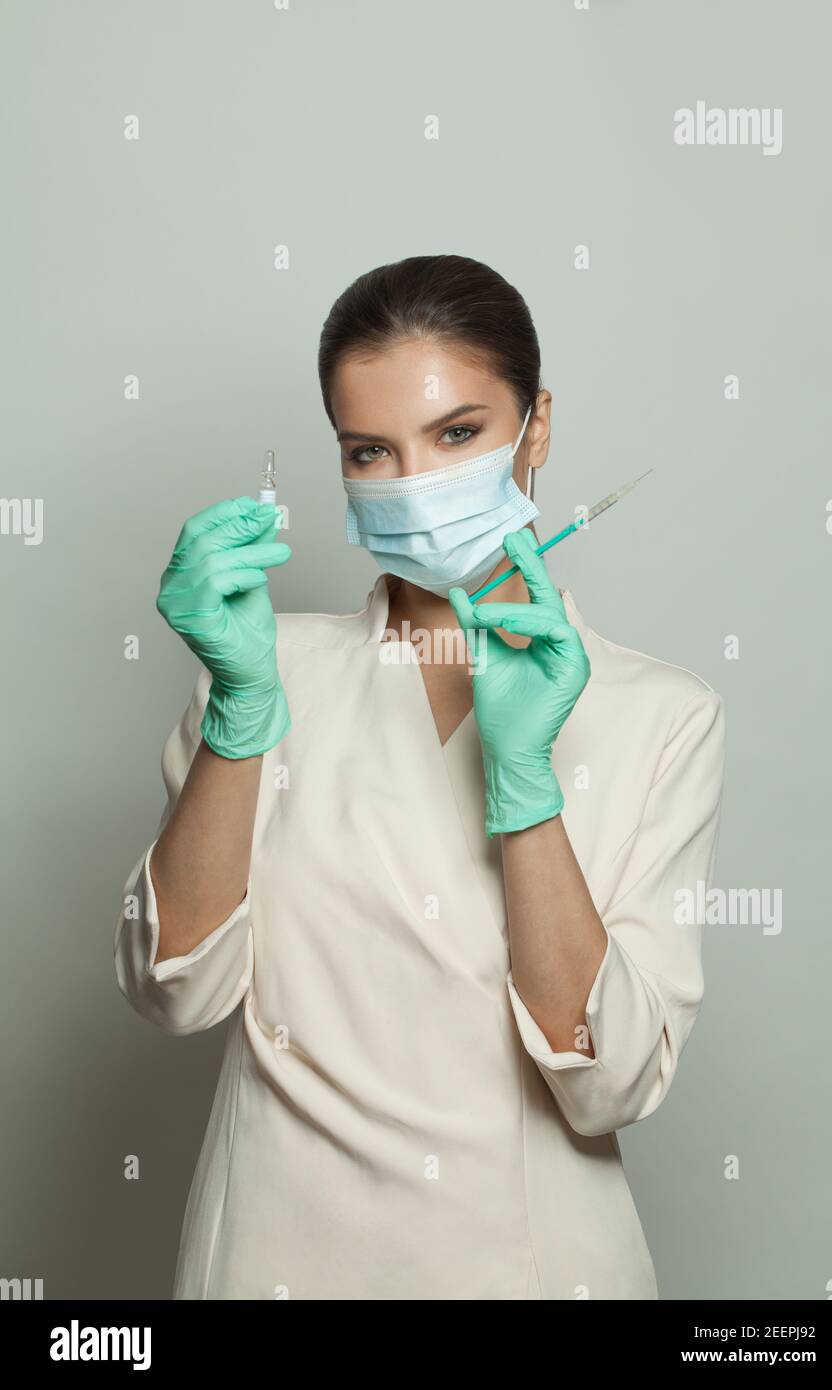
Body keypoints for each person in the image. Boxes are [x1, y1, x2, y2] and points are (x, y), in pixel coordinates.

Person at [114, 254, 726, 1300]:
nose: (417, 485)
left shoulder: (659, 715)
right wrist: (239, 717)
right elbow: (172, 989)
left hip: (530, 1270)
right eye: (371, 451)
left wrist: (524, 782)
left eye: (456, 434)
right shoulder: (267, 667)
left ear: (535, 428)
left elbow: (606, 1083)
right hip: (271, 1261)